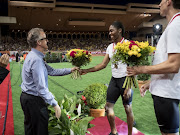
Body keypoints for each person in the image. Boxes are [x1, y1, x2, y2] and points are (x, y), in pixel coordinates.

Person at [127, 0, 180, 134]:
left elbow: (174, 65)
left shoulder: (175, 25)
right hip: (165, 92)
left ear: (169, 2)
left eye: (161, 1)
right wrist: (151, 83)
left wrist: (141, 69)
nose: (158, 5)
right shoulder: (173, 25)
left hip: (166, 94)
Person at [20, 28, 78, 135]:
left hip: (27, 98)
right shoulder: (36, 59)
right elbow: (41, 88)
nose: (47, 41)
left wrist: (70, 70)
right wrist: (54, 104)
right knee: (40, 131)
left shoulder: (34, 56)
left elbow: (52, 71)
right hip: (34, 101)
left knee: (31, 129)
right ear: (39, 42)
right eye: (45, 38)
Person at [81, 21, 134, 135]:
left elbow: (134, 66)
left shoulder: (128, 45)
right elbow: (102, 64)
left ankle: (130, 133)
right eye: (109, 31)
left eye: (111, 30)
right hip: (114, 80)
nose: (109, 33)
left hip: (126, 80)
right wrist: (87, 70)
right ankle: (114, 132)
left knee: (127, 108)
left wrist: (129, 87)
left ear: (119, 30)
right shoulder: (110, 47)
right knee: (108, 107)